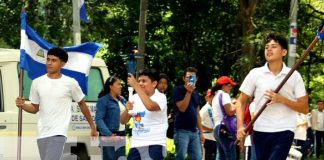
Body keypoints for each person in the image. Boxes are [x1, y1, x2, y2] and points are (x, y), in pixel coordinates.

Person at [235, 33, 309, 159]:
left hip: (284, 130)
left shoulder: (294, 75)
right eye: (266, 47)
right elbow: (240, 102)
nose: (269, 49)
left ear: (284, 52)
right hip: (260, 130)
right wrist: (240, 126)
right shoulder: (255, 74)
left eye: (274, 46)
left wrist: (282, 100)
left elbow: (304, 108)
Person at [15, 47, 97, 160]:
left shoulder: (70, 83)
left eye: (54, 60)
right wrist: (22, 105)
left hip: (58, 133)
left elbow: (82, 104)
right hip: (42, 132)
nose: (49, 63)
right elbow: (34, 108)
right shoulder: (37, 82)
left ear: (62, 64)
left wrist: (92, 126)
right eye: (48, 59)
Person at [120, 68, 168, 160]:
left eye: (144, 81)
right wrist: (127, 110)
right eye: (139, 81)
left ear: (154, 84)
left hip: (155, 144)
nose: (140, 83)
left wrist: (136, 86)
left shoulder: (161, 97)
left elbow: (150, 106)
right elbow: (123, 121)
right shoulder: (134, 97)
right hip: (136, 144)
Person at [173, 67, 204, 160]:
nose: (190, 79)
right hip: (181, 130)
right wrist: (188, 93)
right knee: (180, 157)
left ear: (197, 79)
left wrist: (201, 132)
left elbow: (197, 114)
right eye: (188, 77)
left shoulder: (197, 94)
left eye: (192, 77)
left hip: (194, 132)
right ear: (183, 78)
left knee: (198, 157)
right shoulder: (178, 90)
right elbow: (182, 108)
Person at [95, 76, 126, 160]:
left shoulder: (122, 99)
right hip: (109, 135)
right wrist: (109, 135)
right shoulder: (103, 100)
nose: (121, 86)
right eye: (118, 84)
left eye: (121, 84)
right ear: (111, 86)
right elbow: (98, 119)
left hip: (121, 134)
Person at [211, 76, 237, 160]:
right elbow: (229, 112)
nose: (231, 88)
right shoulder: (224, 94)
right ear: (223, 86)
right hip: (224, 129)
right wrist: (238, 105)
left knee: (221, 156)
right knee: (231, 156)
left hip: (217, 129)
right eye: (229, 85)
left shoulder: (216, 96)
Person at [199, 89, 217, 160]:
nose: (212, 98)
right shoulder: (205, 108)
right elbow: (198, 122)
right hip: (206, 137)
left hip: (214, 138)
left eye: (213, 96)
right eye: (210, 96)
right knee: (206, 157)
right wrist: (209, 129)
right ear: (206, 98)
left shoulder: (215, 108)